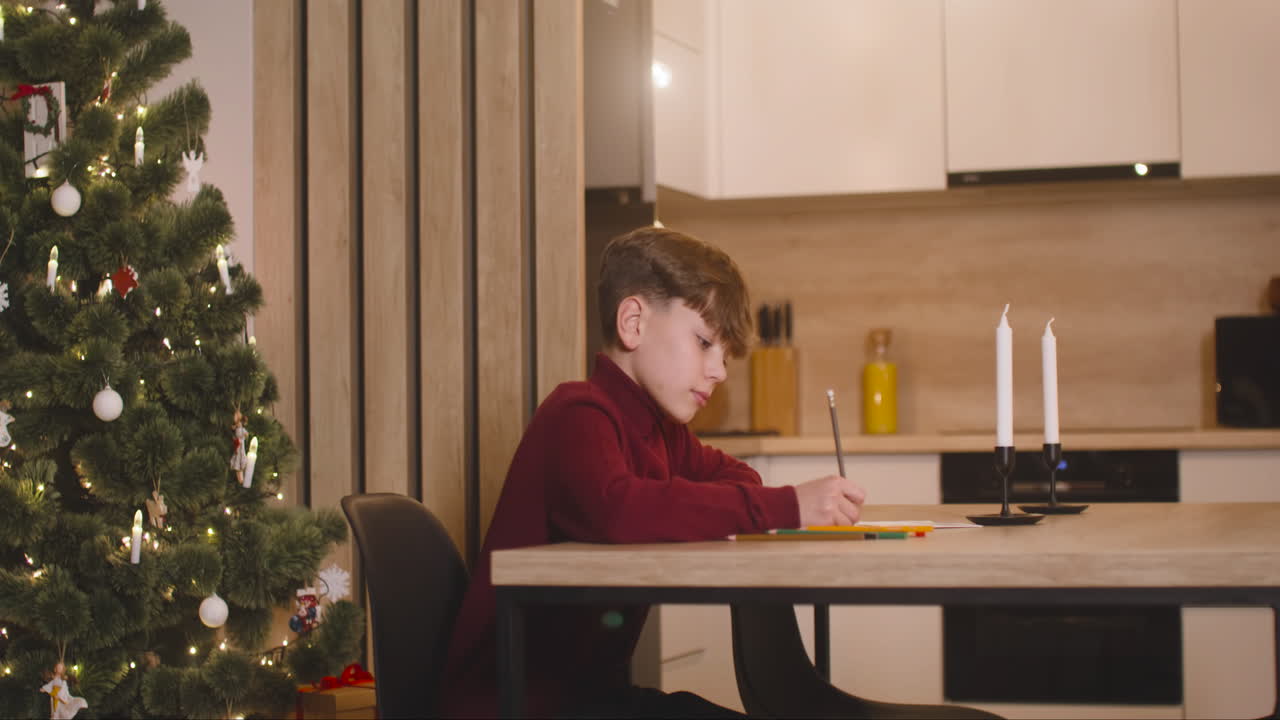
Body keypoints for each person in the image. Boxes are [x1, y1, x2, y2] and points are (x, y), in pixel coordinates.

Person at [440, 226, 867, 718]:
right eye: (705, 343)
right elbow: (620, 510)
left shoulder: (663, 433)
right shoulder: (577, 412)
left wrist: (697, 501)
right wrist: (789, 504)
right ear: (633, 322)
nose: (720, 371)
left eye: (724, 356)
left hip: (590, 700)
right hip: (512, 705)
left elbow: (738, 478)